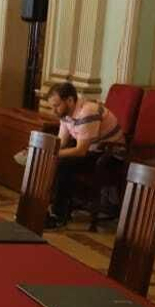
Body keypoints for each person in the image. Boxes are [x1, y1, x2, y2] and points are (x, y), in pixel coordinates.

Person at [47, 81, 126, 227]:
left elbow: (80, 150)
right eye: (52, 107)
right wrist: (43, 151)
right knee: (51, 160)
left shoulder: (87, 112)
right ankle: (47, 209)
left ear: (70, 100)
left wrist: (53, 154)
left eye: (56, 106)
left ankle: (57, 216)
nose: (54, 111)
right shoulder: (66, 114)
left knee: (63, 164)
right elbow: (61, 142)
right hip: (94, 151)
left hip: (110, 157)